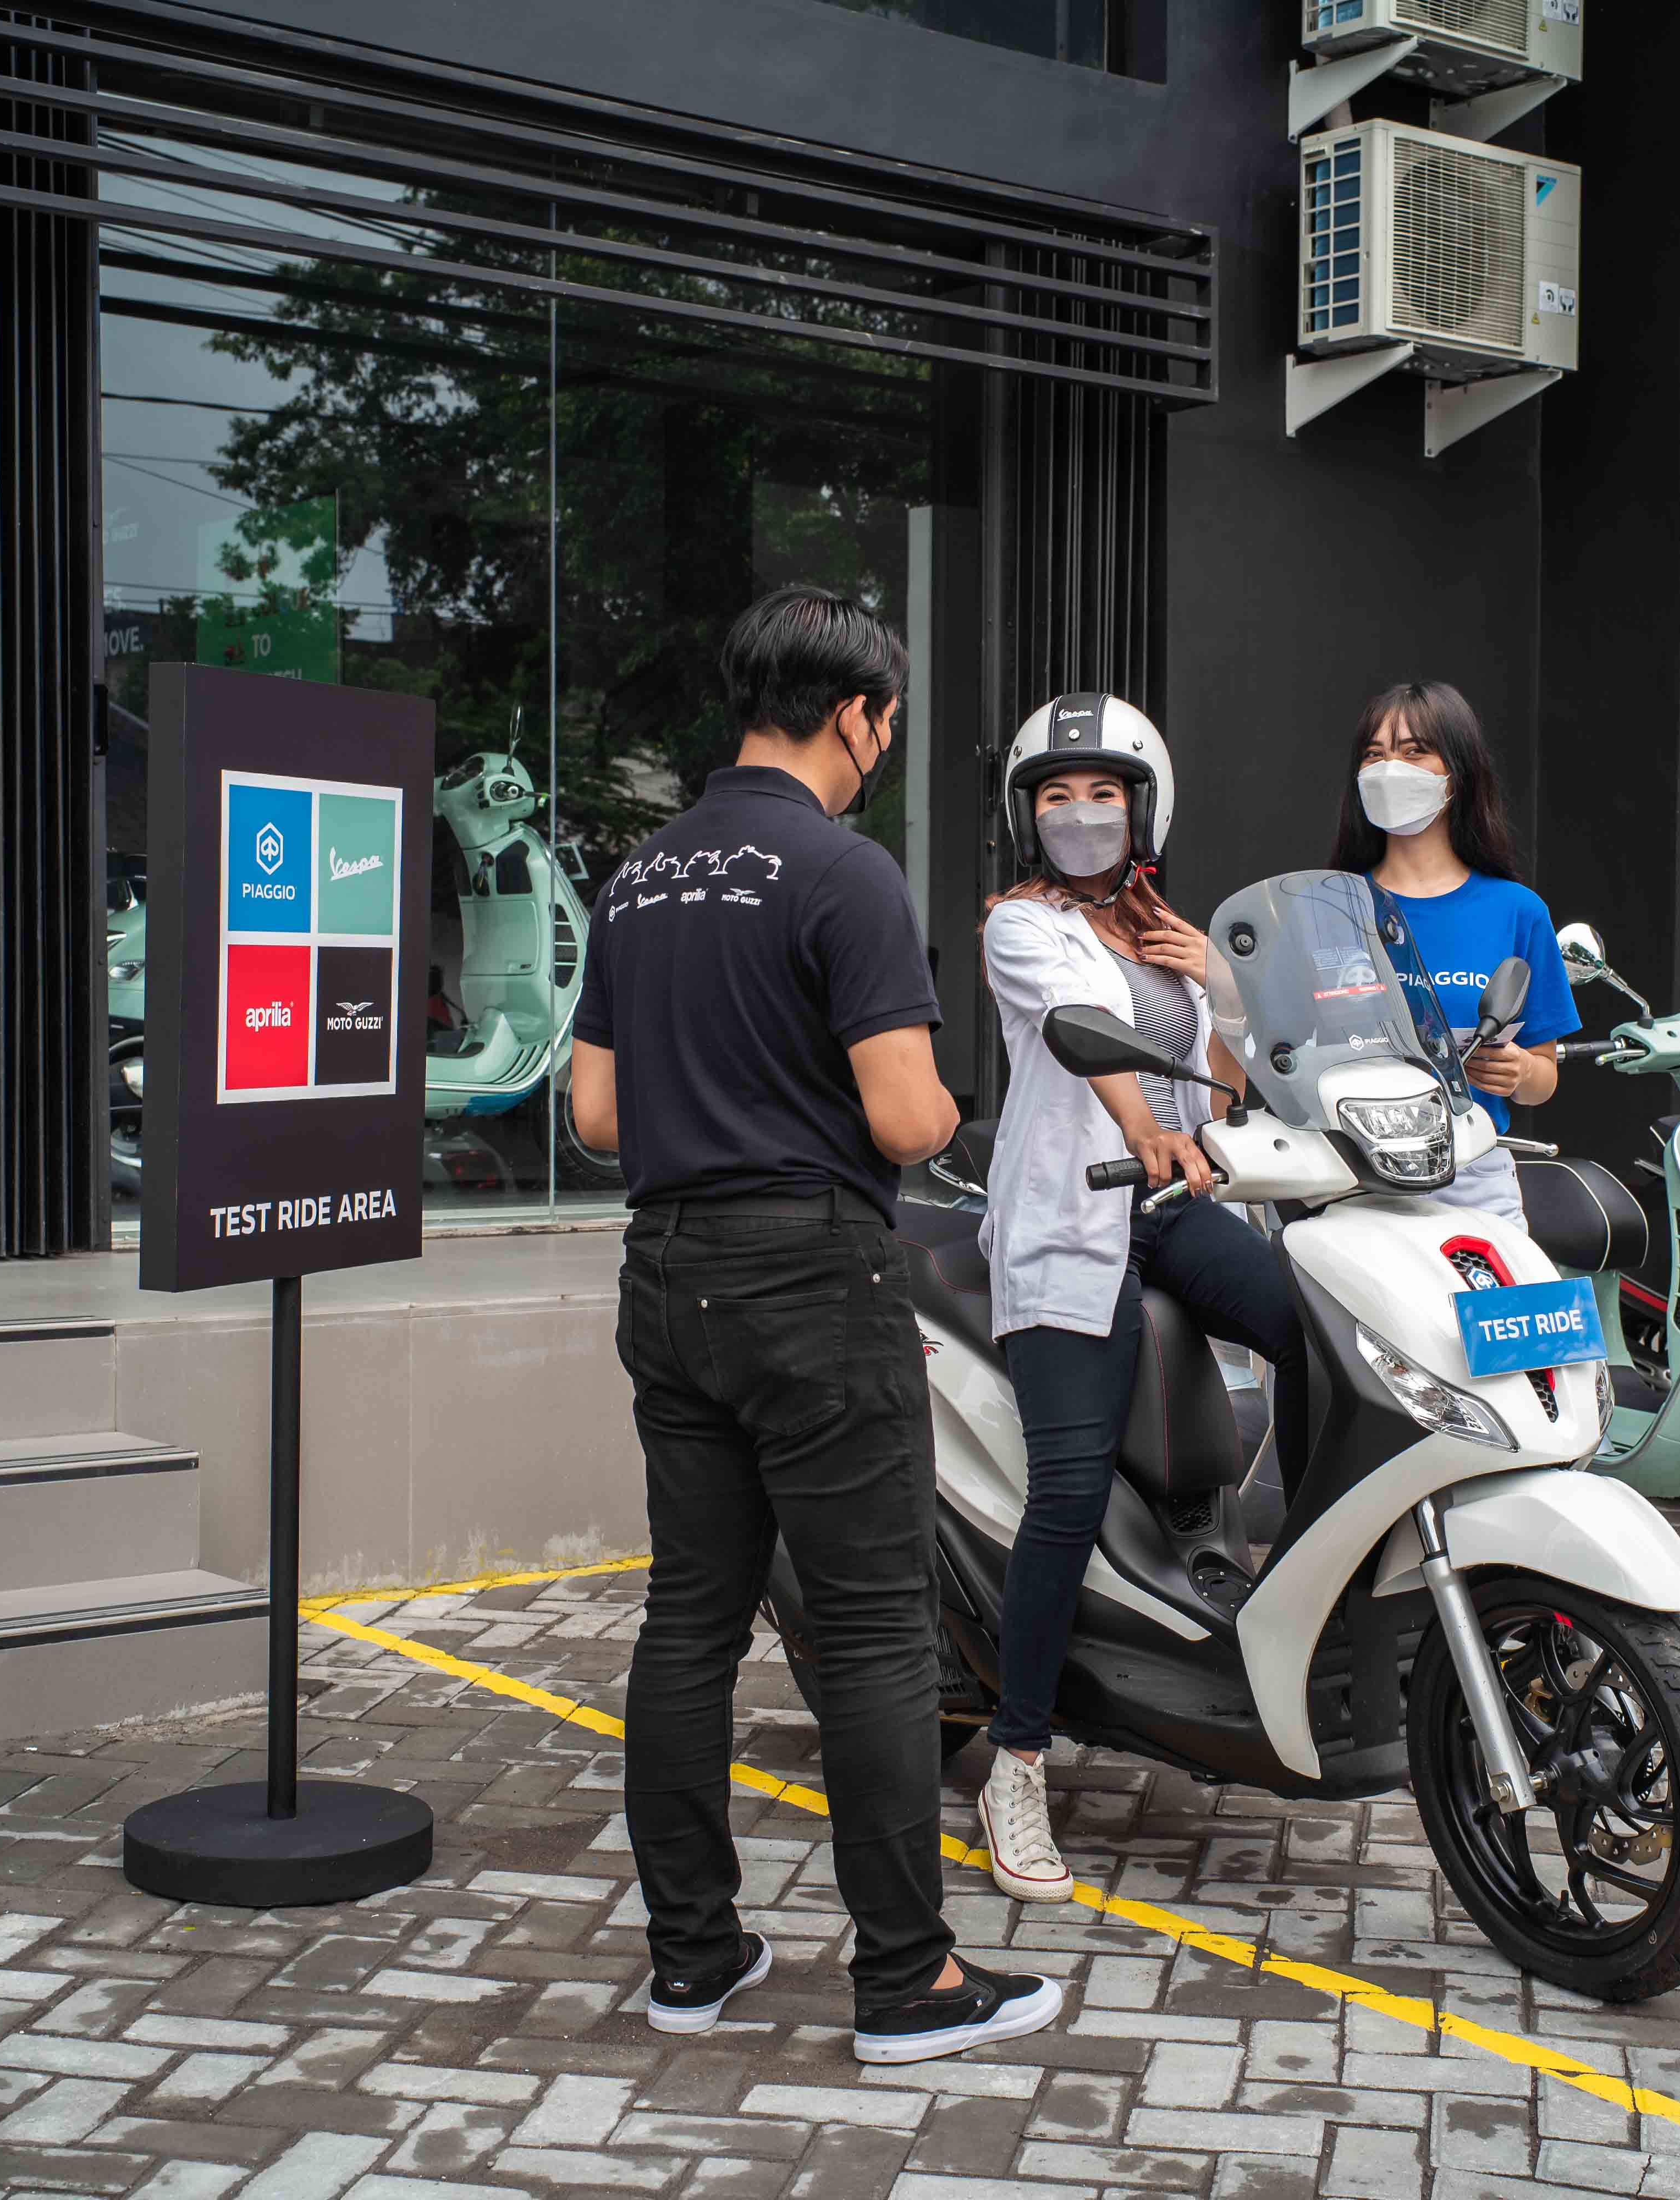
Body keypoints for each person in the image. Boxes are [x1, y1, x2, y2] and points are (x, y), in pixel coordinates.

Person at [568, 585, 1062, 2067]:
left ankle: (693, 1957)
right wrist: (933, 1110)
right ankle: (907, 1979)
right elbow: (908, 1119)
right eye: (885, 726)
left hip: (667, 1274)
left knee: (690, 1617)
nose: (882, 750)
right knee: (871, 1631)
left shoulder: (640, 877)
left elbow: (596, 1114)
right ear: (854, 714)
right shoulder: (845, 873)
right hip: (811, 1275)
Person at [972, 693, 1308, 1904]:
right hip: (1075, 1213)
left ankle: (1300, 1593)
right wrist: (1148, 1133)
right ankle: (1017, 1759)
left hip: (1172, 1202)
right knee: (1068, 1488)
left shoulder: (1165, 931)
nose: (1080, 814)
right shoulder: (1021, 925)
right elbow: (1088, 1040)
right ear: (1029, 815)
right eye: (1057, 796)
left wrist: (1220, 985)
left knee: (1323, 1337)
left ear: (1144, 807)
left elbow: (1222, 1087)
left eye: (1103, 793)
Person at [1334, 680, 1576, 1222]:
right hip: (1354, 1180)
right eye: (1374, 754)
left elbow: (1544, 1077)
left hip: (1475, 1179)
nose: (1389, 769)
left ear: (1458, 773)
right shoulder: (1332, 907)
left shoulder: (1517, 910)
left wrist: (1520, 1072)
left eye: (1414, 751)